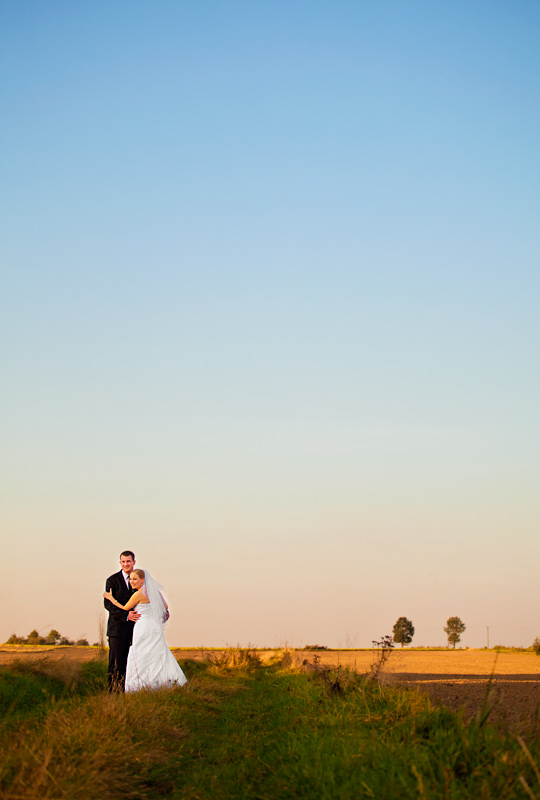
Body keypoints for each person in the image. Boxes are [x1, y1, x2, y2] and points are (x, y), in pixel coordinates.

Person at [103, 567, 187, 692]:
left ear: (142, 580)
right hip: (154, 626)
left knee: (141, 652)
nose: (132, 582)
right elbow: (165, 606)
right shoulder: (155, 592)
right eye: (131, 579)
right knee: (157, 652)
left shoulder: (139, 594)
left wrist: (111, 599)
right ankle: (163, 681)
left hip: (143, 626)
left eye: (135, 579)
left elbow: (125, 608)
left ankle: (141, 684)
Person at [104, 550, 141, 692]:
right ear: (120, 563)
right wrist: (126, 615)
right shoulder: (112, 580)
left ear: (134, 562)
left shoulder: (140, 579)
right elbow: (108, 605)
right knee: (116, 663)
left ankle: (130, 691)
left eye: (128, 561)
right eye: (123, 562)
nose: (126, 564)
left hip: (136, 630)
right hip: (117, 630)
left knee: (132, 663)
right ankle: (113, 693)